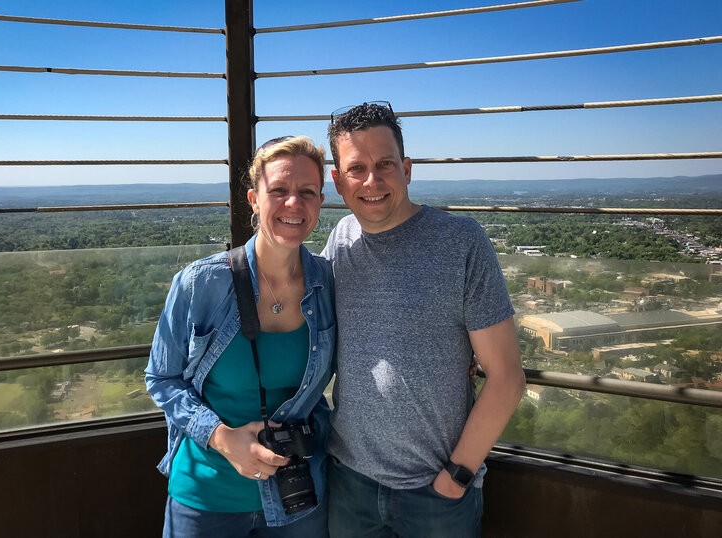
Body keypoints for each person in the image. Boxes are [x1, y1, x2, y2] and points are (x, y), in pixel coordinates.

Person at [322, 102, 525, 537]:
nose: (372, 181)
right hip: (349, 482)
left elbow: (506, 377)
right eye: (356, 168)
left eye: (385, 165)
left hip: (436, 494)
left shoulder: (461, 242)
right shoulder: (339, 239)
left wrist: (456, 478)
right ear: (338, 181)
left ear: (407, 169)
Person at [145, 135, 335, 537]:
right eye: (278, 190)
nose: (293, 204)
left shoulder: (329, 284)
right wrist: (221, 437)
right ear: (253, 198)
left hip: (298, 499)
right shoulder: (201, 284)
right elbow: (161, 378)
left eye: (307, 192)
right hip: (206, 496)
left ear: (321, 201)